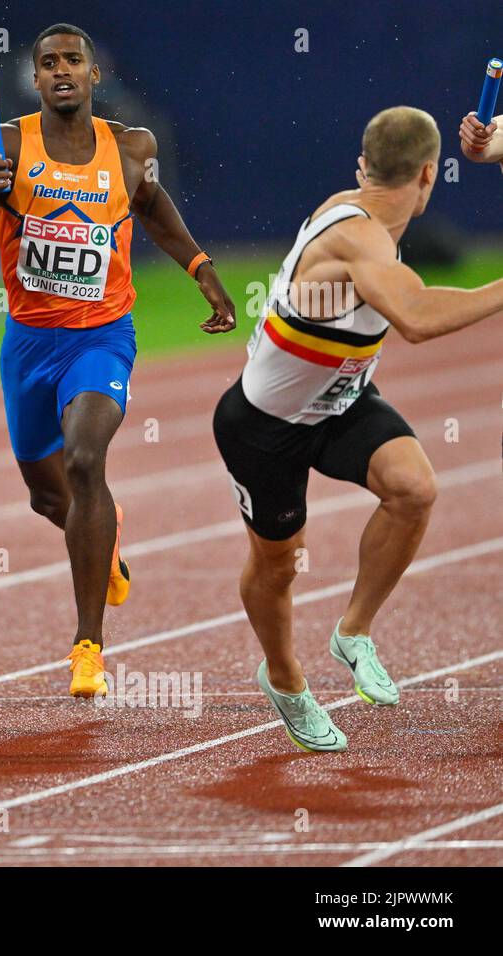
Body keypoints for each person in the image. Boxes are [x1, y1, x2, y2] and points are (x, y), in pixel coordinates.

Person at [0, 23, 236, 696]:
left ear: (93, 73)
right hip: (28, 342)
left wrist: (201, 267)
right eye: (47, 63)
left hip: (101, 337)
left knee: (84, 461)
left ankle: (88, 649)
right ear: (36, 78)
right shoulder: (6, 145)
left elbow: (154, 204)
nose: (60, 72)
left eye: (71, 60)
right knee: (47, 495)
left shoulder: (133, 146)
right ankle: (106, 547)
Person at [213, 106, 503, 752]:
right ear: (429, 176)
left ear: (364, 164)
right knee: (279, 564)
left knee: (413, 490)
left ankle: (353, 632)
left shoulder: (378, 215)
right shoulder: (358, 237)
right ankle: (285, 678)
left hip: (342, 403)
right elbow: (417, 317)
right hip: (265, 426)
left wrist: (497, 151)